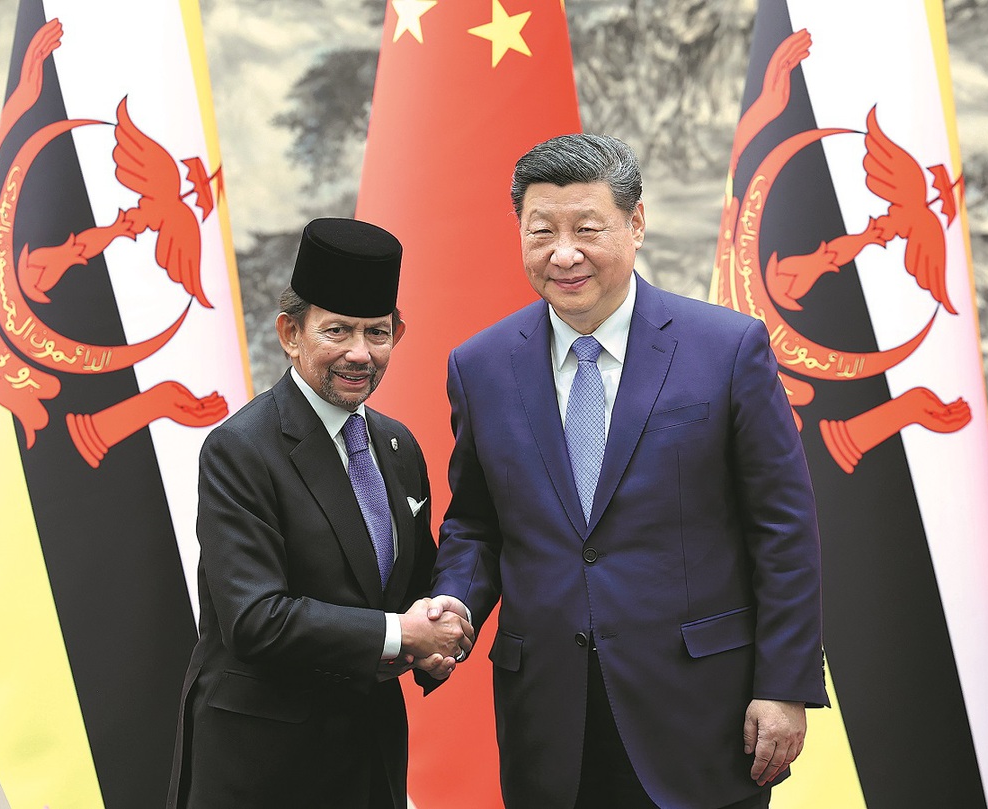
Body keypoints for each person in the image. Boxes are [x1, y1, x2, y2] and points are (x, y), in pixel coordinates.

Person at [428, 135, 827, 809]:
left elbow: (783, 530)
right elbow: (476, 520)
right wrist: (455, 604)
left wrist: (784, 685)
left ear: (635, 223)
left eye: (587, 229)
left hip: (701, 713)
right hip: (549, 719)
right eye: (541, 231)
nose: (563, 254)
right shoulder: (480, 366)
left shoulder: (727, 349)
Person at [167, 217, 474, 808]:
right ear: (290, 333)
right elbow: (255, 618)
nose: (360, 353)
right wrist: (400, 633)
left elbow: (413, 584)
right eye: (337, 331)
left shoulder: (398, 447)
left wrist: (438, 633)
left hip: (368, 760)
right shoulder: (241, 448)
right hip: (263, 768)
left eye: (376, 333)